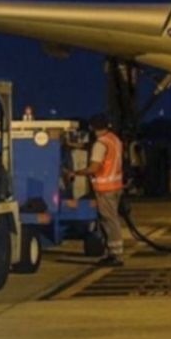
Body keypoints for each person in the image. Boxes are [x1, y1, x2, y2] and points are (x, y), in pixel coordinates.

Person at [66, 114, 125, 267]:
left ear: (92, 127)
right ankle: (113, 252)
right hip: (116, 186)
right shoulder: (114, 139)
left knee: (109, 221)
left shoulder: (100, 144)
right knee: (111, 220)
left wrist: (75, 173)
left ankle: (115, 255)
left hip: (105, 188)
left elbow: (94, 167)